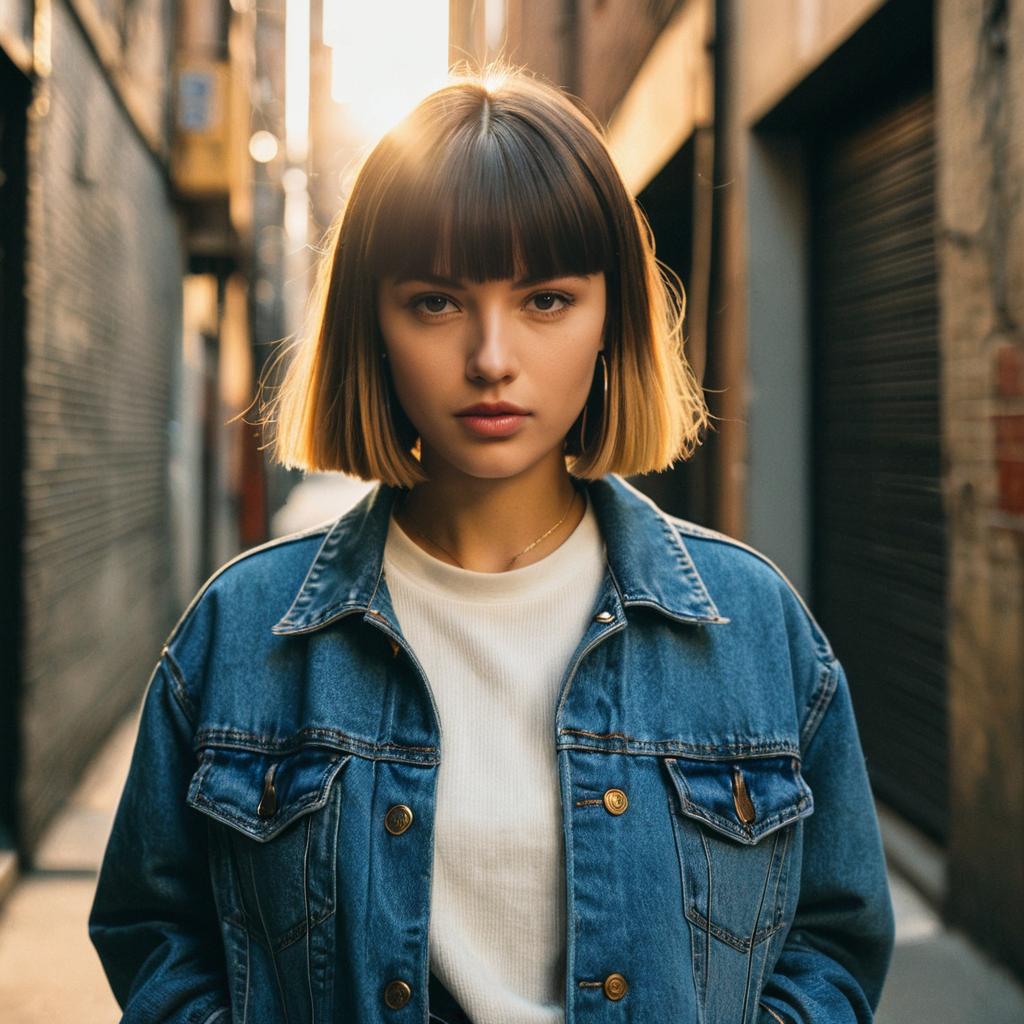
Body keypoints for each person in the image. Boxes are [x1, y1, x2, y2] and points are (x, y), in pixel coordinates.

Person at [89, 64, 895, 1024]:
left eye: (546, 300)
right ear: (372, 323)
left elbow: (833, 940)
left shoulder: (751, 627)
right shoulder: (242, 633)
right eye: (436, 301)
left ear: (611, 319)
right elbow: (154, 931)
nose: (492, 359)